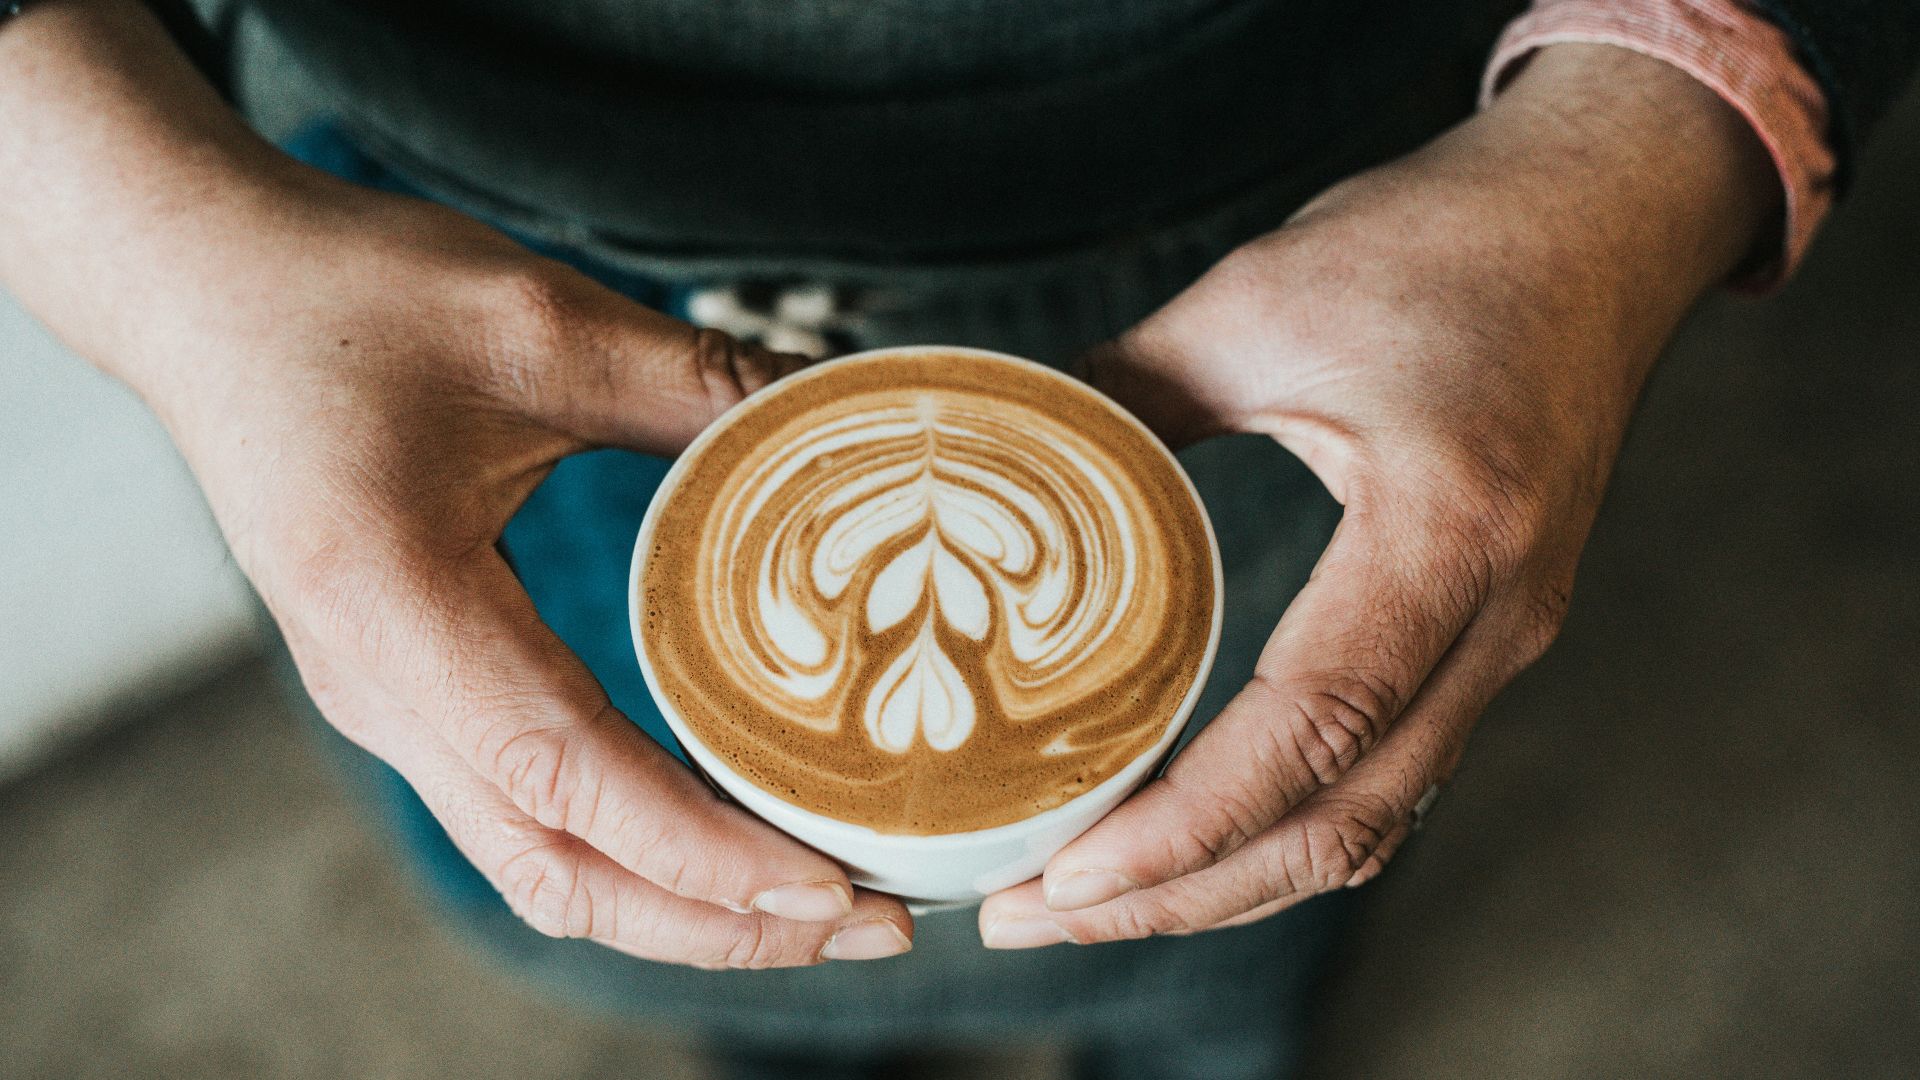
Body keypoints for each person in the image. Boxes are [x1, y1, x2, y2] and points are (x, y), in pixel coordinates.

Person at [3, 1, 1914, 1076]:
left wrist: (1648, 130)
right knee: (696, 905)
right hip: (420, 263)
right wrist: (144, 239)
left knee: (1242, 856)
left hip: (1306, 228)